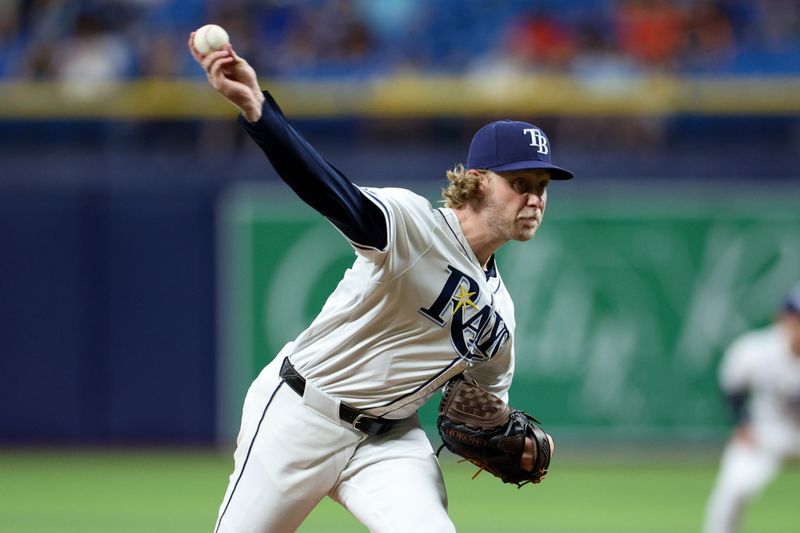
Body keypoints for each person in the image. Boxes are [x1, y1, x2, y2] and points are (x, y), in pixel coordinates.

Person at [189, 33, 572, 533]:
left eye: (541, 188)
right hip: (300, 414)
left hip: (387, 442)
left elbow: (483, 405)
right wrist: (261, 110)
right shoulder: (415, 228)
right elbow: (326, 188)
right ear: (478, 180)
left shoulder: (501, 316)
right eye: (520, 184)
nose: (535, 199)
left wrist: (500, 430)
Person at [703, 283, 800, 533]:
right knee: (730, 495)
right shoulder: (755, 350)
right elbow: (731, 383)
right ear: (783, 317)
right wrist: (740, 423)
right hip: (767, 433)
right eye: (797, 317)